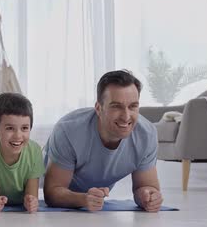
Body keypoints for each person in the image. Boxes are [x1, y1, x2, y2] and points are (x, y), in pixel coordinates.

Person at [43, 70, 163, 212]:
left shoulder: (147, 135)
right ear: (99, 108)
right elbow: (53, 192)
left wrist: (147, 196)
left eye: (132, 106)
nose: (126, 116)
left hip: (95, 191)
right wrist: (82, 199)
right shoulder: (68, 130)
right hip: (47, 175)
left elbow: (145, 186)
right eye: (116, 106)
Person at [0, 93, 45, 213]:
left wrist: (31, 202)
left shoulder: (35, 151)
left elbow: (32, 195)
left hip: (18, 198)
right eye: (10, 128)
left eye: (24, 128)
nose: (18, 136)